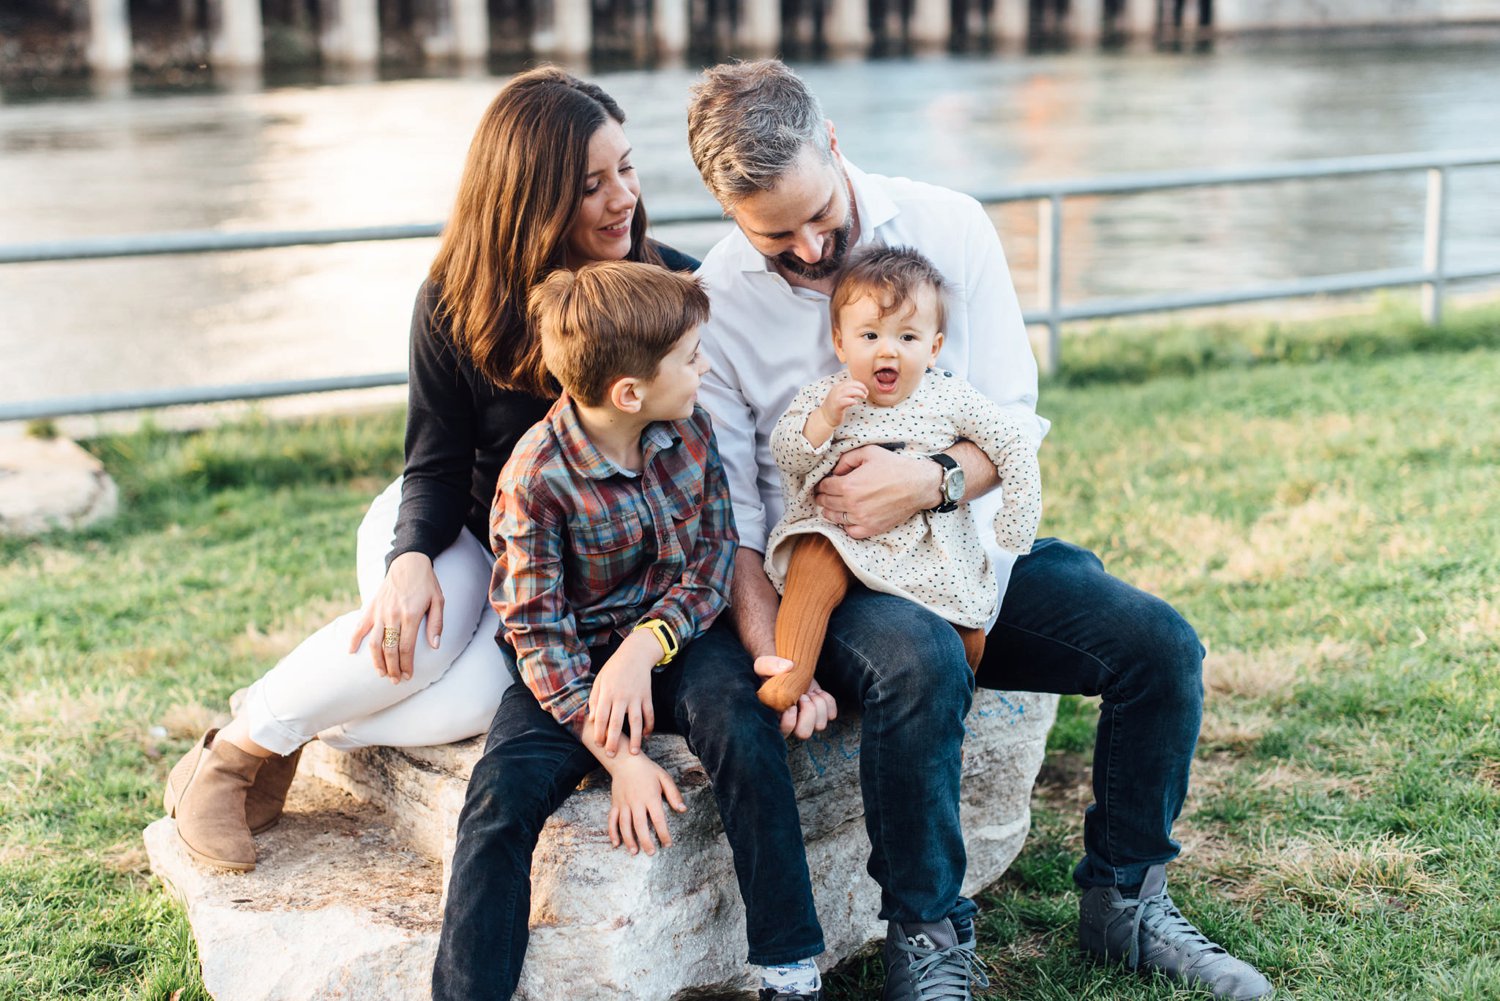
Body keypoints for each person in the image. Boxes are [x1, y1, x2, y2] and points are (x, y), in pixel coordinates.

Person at [687, 59, 1274, 1001]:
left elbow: (1011, 415)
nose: (808, 246)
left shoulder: (949, 224)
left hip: (968, 546)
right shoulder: (717, 305)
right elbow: (739, 522)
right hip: (835, 581)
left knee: (1158, 646)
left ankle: (1127, 899)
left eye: (819, 216)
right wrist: (775, 663)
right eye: (774, 234)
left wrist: (925, 482)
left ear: (833, 144)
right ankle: (927, 934)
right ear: (728, 214)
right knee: (919, 660)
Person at [161, 66, 700, 874]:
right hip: (451, 523)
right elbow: (433, 462)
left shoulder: (667, 293)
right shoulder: (457, 297)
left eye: (625, 167)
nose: (622, 196)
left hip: (548, 572)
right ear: (532, 197)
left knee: (482, 699)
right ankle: (237, 754)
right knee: (423, 630)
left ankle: (296, 725)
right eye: (591, 184)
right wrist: (409, 559)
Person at [431, 261, 825, 1001]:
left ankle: (789, 963)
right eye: (691, 357)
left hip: (678, 640)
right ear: (629, 393)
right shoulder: (533, 479)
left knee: (742, 727)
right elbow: (537, 634)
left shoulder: (691, 429)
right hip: (570, 669)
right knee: (496, 803)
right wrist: (618, 755)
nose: (704, 367)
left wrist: (648, 646)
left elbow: (710, 561)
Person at [756, 245, 1042, 712]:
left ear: (933, 348)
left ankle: (952, 710)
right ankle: (790, 675)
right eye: (869, 335)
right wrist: (824, 420)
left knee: (968, 628)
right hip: (839, 532)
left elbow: (1012, 442)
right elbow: (786, 454)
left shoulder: (949, 396)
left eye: (907, 338)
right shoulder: (827, 395)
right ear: (841, 343)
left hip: (925, 543)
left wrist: (1018, 517)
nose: (887, 349)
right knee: (812, 563)